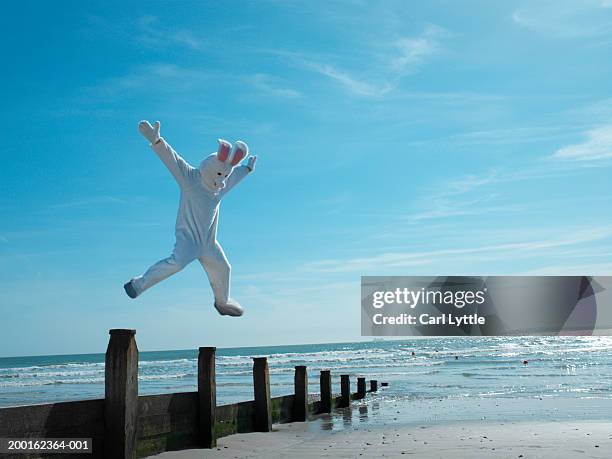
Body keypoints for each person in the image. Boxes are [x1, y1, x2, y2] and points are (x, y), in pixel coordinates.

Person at [123, 121, 257, 317]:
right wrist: (156, 140)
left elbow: (232, 177)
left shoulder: (220, 187)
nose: (221, 181)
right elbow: (173, 160)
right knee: (176, 264)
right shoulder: (191, 180)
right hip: (188, 240)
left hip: (209, 243)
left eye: (224, 176)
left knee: (224, 268)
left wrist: (246, 169)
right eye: (219, 174)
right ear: (210, 168)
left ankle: (222, 303)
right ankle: (136, 285)